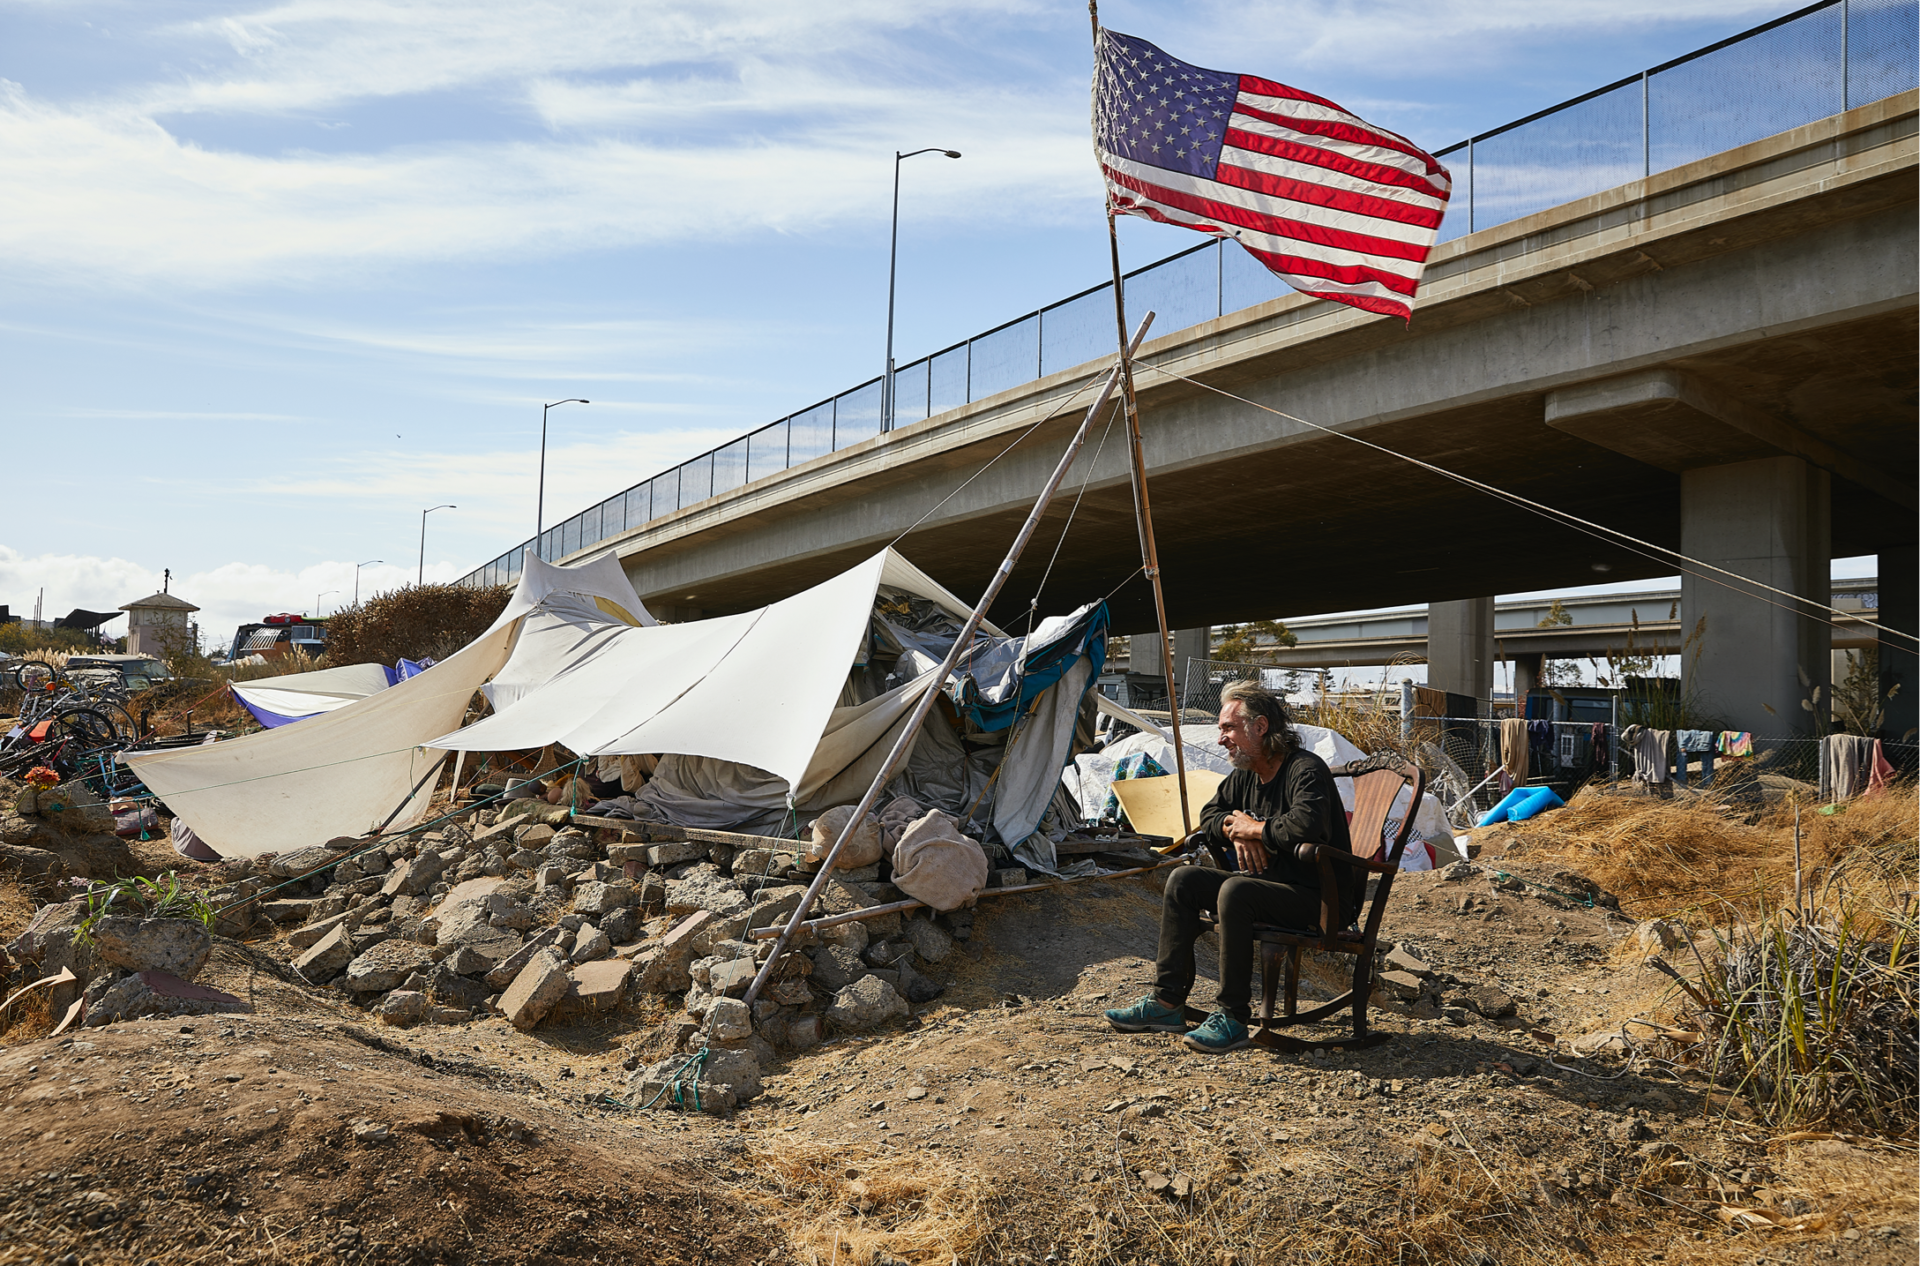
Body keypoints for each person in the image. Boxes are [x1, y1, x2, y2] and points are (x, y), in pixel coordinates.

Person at [1104, 681, 1354, 1053]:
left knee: (1235, 890)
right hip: (1270, 888)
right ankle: (1167, 1003)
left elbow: (1307, 825)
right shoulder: (1247, 772)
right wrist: (1235, 831)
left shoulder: (1305, 769)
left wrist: (1255, 828)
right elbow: (1210, 815)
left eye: (1228, 728)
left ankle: (1233, 1017)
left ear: (1260, 727)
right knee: (1183, 879)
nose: (1221, 739)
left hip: (1319, 898)